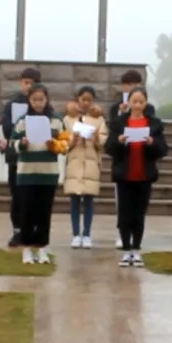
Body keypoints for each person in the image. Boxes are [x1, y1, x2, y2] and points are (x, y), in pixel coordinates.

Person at [106, 87, 168, 267]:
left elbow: (163, 149)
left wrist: (152, 143)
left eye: (141, 101)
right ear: (129, 102)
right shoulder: (119, 123)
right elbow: (109, 148)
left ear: (146, 103)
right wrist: (119, 141)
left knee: (139, 214)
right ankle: (126, 250)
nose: (138, 105)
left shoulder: (154, 124)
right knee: (124, 215)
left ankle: (136, 249)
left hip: (144, 175)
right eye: (135, 101)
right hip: (124, 175)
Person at [9, 83, 65, 264]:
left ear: (47, 99)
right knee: (27, 212)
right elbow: (13, 143)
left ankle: (42, 248)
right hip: (26, 174)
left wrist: (53, 145)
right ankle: (26, 249)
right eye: (34, 100)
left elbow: (65, 144)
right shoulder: (22, 121)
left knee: (44, 213)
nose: (38, 103)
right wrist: (22, 144)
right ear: (29, 101)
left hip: (48, 174)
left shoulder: (56, 121)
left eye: (41, 99)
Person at [108, 69, 155, 249]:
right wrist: (121, 115)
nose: (137, 104)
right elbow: (112, 135)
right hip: (124, 168)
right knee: (123, 207)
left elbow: (159, 143)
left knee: (139, 210)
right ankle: (122, 236)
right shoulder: (116, 108)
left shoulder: (150, 112)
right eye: (129, 85)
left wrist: (151, 143)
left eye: (136, 84)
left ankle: (136, 242)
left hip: (143, 168)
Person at [62, 86, 108, 248]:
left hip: (90, 164)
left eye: (89, 100)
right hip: (74, 164)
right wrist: (73, 140)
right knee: (74, 200)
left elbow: (102, 140)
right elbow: (63, 141)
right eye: (83, 99)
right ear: (78, 99)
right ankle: (76, 234)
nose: (86, 103)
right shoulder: (69, 119)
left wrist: (95, 138)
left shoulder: (99, 120)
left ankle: (87, 234)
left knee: (89, 200)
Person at [0, 67, 40, 247]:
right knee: (17, 195)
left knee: (34, 196)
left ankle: (32, 230)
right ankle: (17, 231)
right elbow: (7, 129)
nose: (28, 86)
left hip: (36, 156)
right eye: (26, 82)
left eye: (32, 83)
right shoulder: (12, 104)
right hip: (16, 156)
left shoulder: (42, 106)